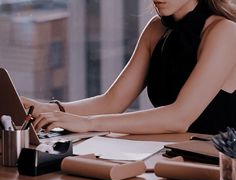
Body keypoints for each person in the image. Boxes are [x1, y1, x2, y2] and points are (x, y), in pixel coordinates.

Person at [21, 0, 236, 135]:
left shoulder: (225, 32)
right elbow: (112, 101)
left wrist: (86, 123)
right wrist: (49, 110)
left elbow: (179, 118)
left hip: (222, 169)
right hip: (174, 157)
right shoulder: (156, 29)